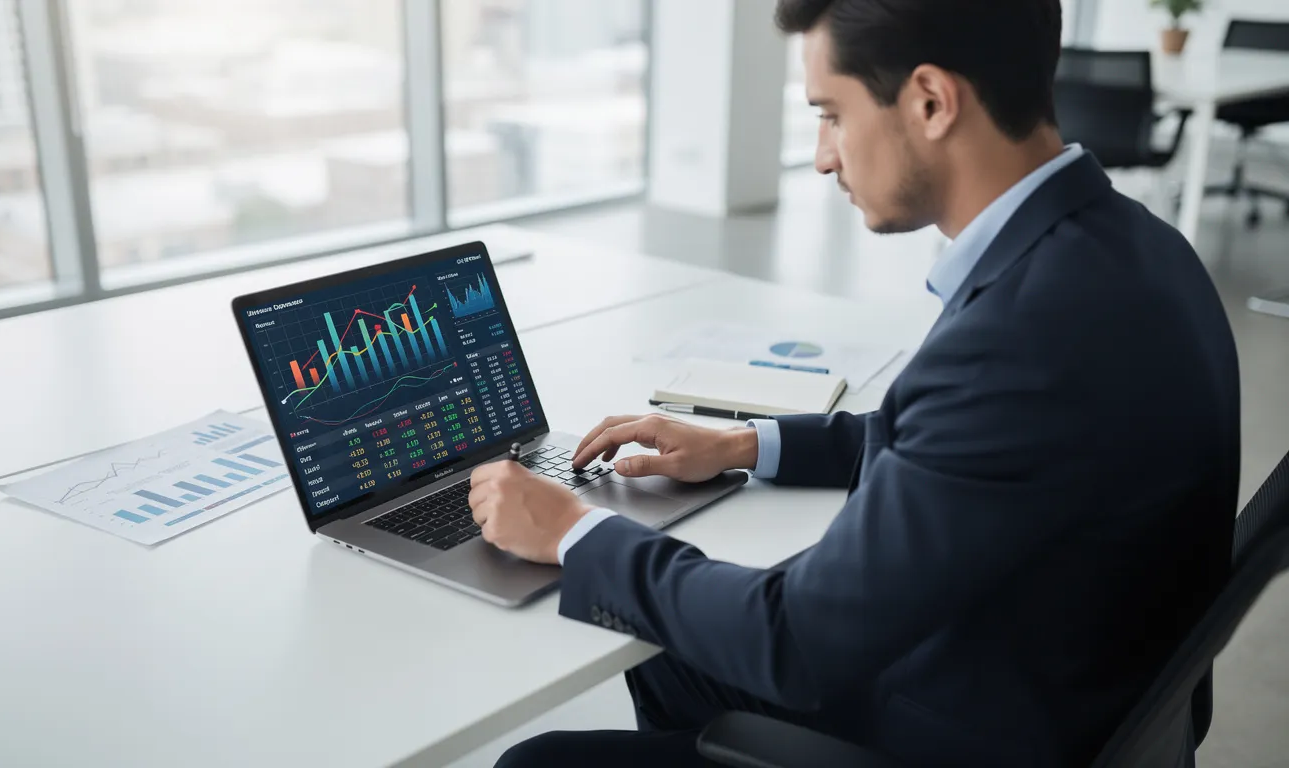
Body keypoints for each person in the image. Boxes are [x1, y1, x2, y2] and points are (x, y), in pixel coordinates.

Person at [467, 0, 1240, 765]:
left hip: (968, 728)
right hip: (1064, 690)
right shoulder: (1136, 250)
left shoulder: (1021, 336)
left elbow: (794, 642)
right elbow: (964, 443)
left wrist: (571, 533)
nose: (823, 156)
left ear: (931, 102)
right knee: (671, 649)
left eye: (832, 114)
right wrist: (744, 443)